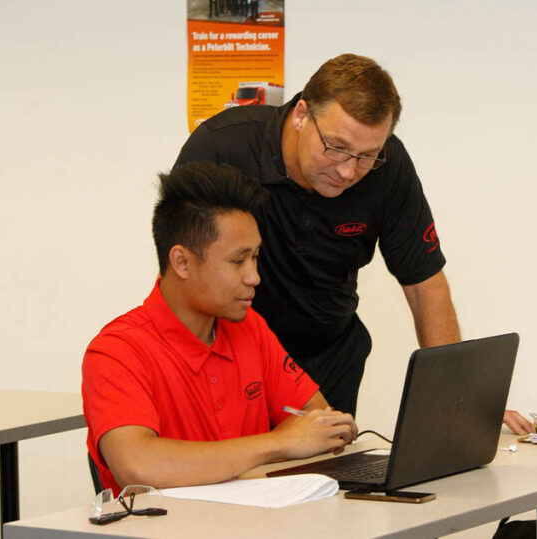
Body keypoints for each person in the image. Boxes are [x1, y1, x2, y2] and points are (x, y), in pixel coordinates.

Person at [175, 54, 532, 434]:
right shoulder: (221, 150)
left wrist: (458, 401)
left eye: (366, 157)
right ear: (300, 115)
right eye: (336, 147)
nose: (347, 171)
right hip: (231, 355)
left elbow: (424, 282)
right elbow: (183, 276)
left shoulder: (389, 167)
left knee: (325, 483)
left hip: (328, 354)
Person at [82, 162, 358, 494]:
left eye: (256, 257)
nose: (254, 276)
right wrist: (278, 443)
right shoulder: (118, 351)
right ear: (182, 262)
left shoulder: (248, 327)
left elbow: (312, 414)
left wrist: (303, 435)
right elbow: (138, 466)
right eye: (238, 261)